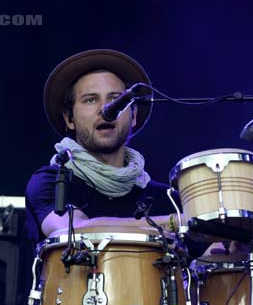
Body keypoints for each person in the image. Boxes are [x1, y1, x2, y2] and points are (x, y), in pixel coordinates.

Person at [23, 48, 212, 259]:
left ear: (133, 116)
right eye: (90, 100)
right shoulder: (52, 182)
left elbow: (206, 267)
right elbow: (76, 230)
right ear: (69, 119)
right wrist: (172, 222)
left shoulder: (167, 199)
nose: (106, 109)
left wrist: (230, 246)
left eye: (116, 99)